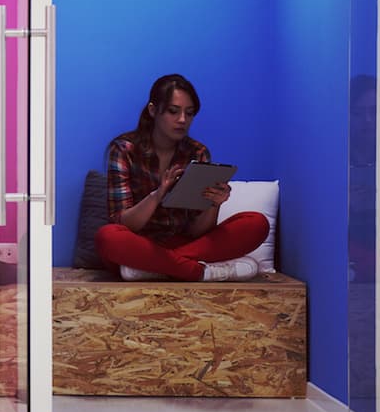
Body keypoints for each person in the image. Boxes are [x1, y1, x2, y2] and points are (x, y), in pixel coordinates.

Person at [94, 74, 268, 282]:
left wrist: (214, 204)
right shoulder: (124, 150)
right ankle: (200, 272)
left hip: (184, 245)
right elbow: (124, 224)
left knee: (257, 223)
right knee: (107, 237)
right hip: (138, 245)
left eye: (190, 113)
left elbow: (197, 231)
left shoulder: (197, 153)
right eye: (173, 111)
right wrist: (157, 195)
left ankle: (156, 268)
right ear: (153, 110)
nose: (183, 120)